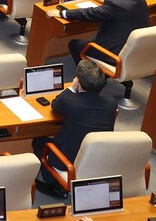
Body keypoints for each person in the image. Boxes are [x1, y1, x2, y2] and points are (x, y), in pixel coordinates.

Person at [31, 61, 118, 198]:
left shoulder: (70, 101)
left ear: (79, 82)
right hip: (96, 158)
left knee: (39, 142)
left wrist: (71, 89)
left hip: (68, 161)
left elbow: (56, 105)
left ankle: (55, 184)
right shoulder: (111, 103)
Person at [49, 0, 150, 65]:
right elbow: (116, 3)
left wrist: (62, 13)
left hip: (113, 53)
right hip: (133, 50)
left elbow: (89, 13)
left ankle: (88, 76)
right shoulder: (141, 1)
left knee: (74, 45)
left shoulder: (116, 6)